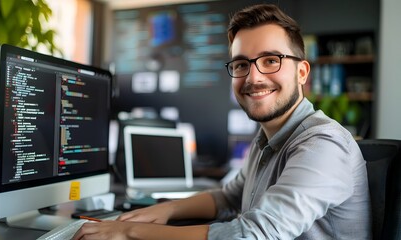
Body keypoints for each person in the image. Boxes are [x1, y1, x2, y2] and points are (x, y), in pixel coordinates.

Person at [72, 4, 371, 240]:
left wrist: (130, 232)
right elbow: (229, 197)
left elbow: (254, 233)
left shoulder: (323, 145)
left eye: (271, 60)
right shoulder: (266, 139)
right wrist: (165, 210)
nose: (253, 77)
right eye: (242, 64)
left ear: (302, 73)